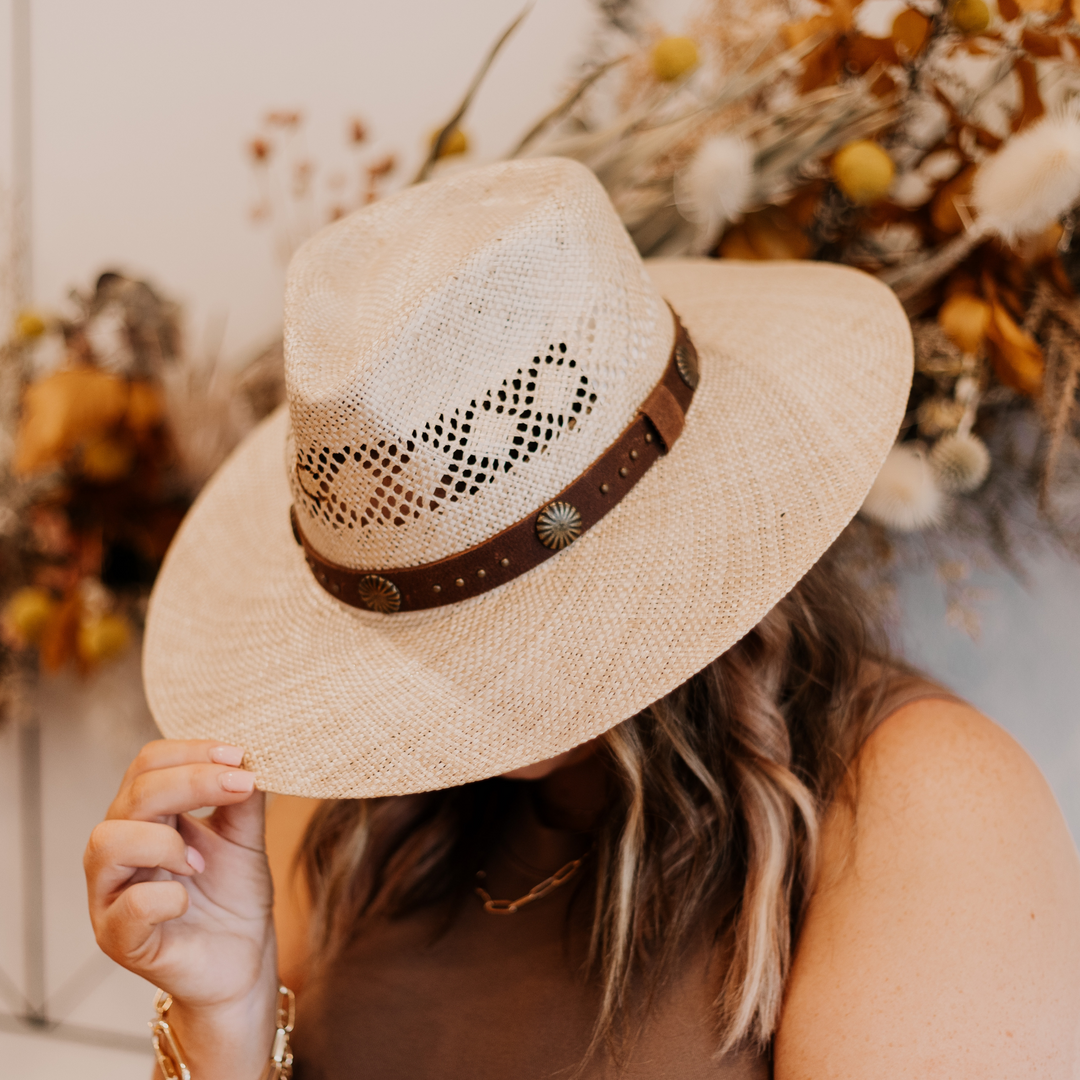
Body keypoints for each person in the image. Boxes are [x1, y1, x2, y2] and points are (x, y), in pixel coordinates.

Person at [84, 158, 1080, 1079]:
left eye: (499, 598)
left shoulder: (918, 805)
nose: (477, 667)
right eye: (447, 600)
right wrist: (223, 1016)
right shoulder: (339, 805)